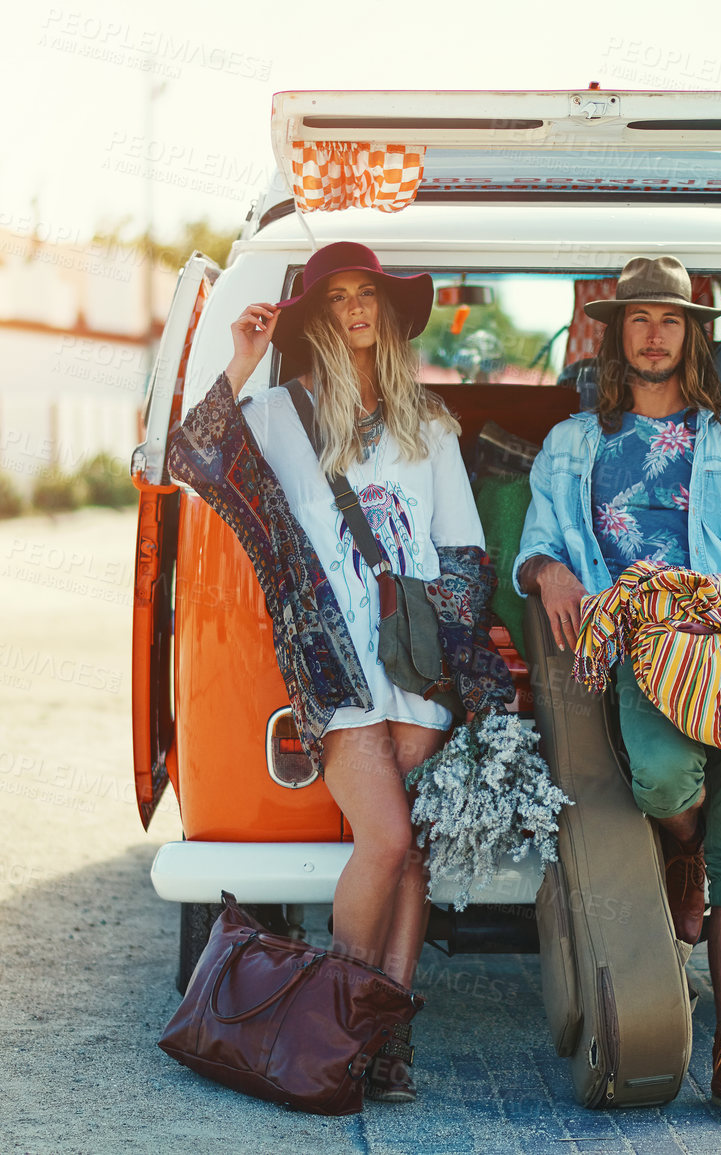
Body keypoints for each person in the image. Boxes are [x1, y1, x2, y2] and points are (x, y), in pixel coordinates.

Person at [168, 241, 512, 1104]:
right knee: (386, 838)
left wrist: (455, 667)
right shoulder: (283, 412)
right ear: (319, 315)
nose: (356, 308)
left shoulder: (427, 423)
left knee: (415, 854)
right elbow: (192, 453)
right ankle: (335, 1019)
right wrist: (241, 357)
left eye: (369, 296)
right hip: (331, 654)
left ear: (388, 315)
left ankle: (385, 1045)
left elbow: (461, 550)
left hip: (417, 657)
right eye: (339, 296)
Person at [513, 256, 721, 1124]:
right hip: (644, 644)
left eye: (668, 320)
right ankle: (685, 846)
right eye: (637, 318)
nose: (652, 333)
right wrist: (549, 570)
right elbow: (530, 546)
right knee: (665, 783)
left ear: (691, 334)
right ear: (614, 333)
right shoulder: (572, 443)